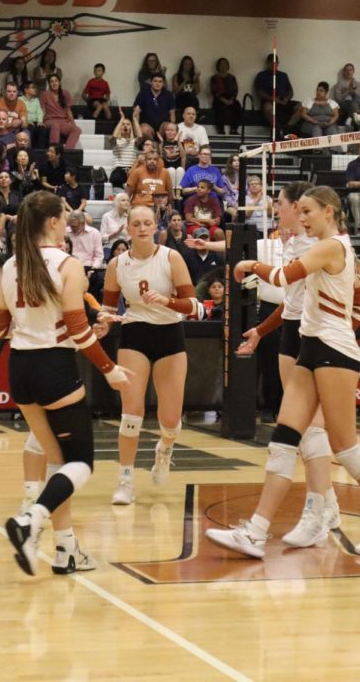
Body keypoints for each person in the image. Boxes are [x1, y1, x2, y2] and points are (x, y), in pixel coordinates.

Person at [209, 186, 360, 558]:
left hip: (335, 351)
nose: (302, 219)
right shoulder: (321, 246)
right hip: (310, 346)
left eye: (308, 212)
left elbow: (285, 277)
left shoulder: (333, 246)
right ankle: (255, 531)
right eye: (298, 212)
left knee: (346, 448)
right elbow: (294, 295)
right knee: (284, 440)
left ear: (330, 212)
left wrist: (249, 264)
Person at [0, 191, 131, 576]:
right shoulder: (68, 263)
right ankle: (32, 521)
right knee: (81, 463)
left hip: (21, 370)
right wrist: (108, 368)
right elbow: (78, 328)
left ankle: (66, 551)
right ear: (51, 223)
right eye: (63, 218)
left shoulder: (11, 265)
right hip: (55, 368)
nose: (68, 223)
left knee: (58, 465)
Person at [235, 180, 360, 544]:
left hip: (319, 338)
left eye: (279, 203)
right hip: (293, 333)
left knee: (315, 431)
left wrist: (340, 334)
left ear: (299, 207)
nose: (275, 208)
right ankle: (319, 509)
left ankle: (323, 511)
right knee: (296, 429)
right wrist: (262, 331)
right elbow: (292, 301)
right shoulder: (292, 243)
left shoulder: (326, 245)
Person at [101, 205, 199, 504]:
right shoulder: (117, 264)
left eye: (148, 223)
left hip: (169, 335)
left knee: (170, 420)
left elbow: (194, 305)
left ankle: (165, 450)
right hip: (134, 333)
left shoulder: (171, 257)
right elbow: (108, 307)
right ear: (127, 229)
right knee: (131, 413)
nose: (142, 228)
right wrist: (103, 322)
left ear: (157, 226)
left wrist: (167, 301)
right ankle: (126, 479)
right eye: (136, 224)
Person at [40, 75, 81, 150]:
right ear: (49, 84)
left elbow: (68, 111)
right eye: (51, 82)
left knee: (77, 129)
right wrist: (41, 120)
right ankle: (54, 150)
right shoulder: (45, 94)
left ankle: (67, 151)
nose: (54, 83)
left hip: (63, 121)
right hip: (49, 120)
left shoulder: (65, 93)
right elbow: (43, 109)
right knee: (55, 125)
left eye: (56, 81)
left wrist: (73, 123)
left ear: (59, 82)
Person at [209, 57, 241, 135]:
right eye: (221, 65)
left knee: (237, 105)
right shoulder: (214, 78)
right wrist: (223, 100)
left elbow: (235, 90)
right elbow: (214, 91)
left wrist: (232, 99)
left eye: (225, 65)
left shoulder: (232, 78)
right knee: (219, 108)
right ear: (218, 66)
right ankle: (221, 130)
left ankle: (234, 129)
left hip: (230, 98)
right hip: (219, 99)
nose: (223, 66)